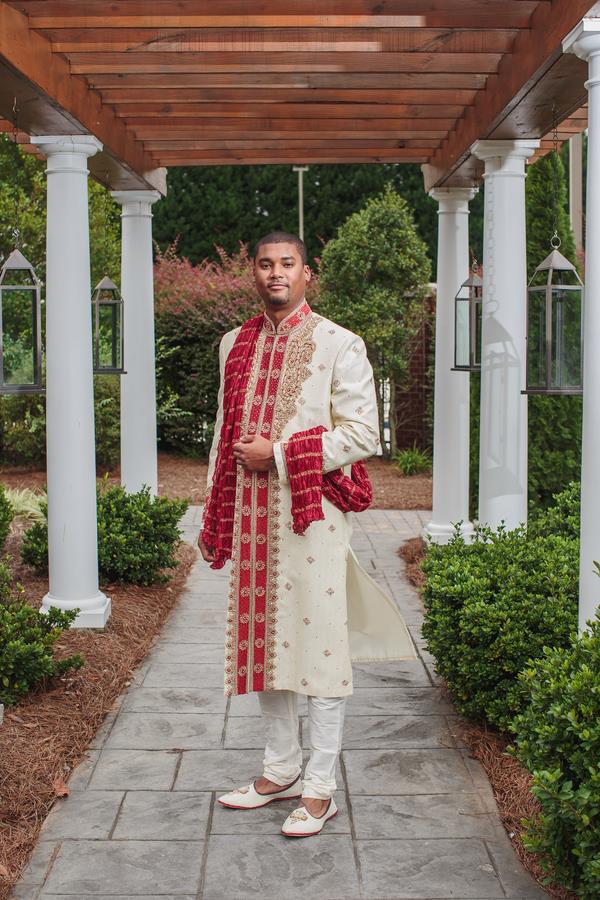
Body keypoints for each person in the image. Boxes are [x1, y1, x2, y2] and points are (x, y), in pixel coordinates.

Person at [199, 231, 415, 838]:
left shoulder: (340, 344)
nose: (275, 274)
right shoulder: (232, 344)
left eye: (286, 264)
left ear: (306, 274)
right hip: (248, 517)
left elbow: (365, 435)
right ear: (254, 273)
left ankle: (321, 789)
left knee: (320, 648)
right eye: (265, 264)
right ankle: (280, 769)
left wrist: (282, 452)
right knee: (265, 645)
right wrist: (216, 510)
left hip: (311, 517)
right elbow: (223, 434)